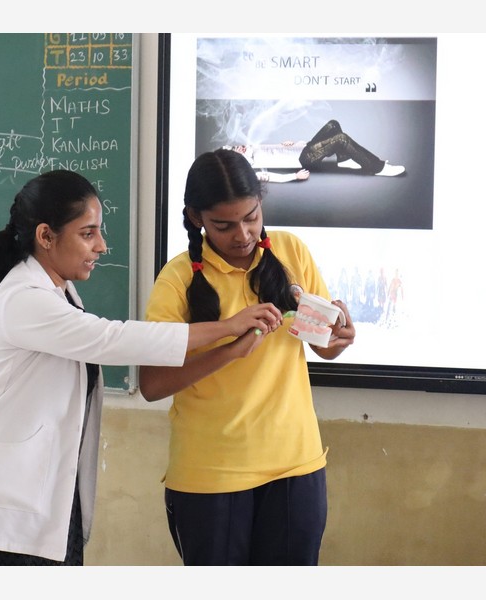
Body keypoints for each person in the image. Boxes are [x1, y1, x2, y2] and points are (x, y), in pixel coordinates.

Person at [0, 169, 282, 566]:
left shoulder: (59, 292)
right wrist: (228, 327)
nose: (101, 246)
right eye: (87, 233)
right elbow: (111, 339)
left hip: (31, 508)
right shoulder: (25, 297)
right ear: (46, 236)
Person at [139, 148, 357, 566]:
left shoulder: (291, 251)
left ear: (261, 203)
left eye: (251, 217)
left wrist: (339, 337)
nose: (242, 234)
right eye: (224, 225)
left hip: (296, 464)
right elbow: (151, 384)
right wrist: (230, 346)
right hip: (211, 474)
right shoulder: (177, 278)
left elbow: (323, 346)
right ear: (196, 218)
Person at [226, 118, 405, 182]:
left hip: (303, 148)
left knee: (333, 125)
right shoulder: (249, 167)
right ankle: (377, 167)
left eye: (236, 145)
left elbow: (280, 150)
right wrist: (294, 176)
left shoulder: (254, 148)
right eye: (236, 150)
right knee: (341, 138)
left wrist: (290, 144)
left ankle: (345, 160)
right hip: (304, 159)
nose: (239, 146)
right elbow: (271, 177)